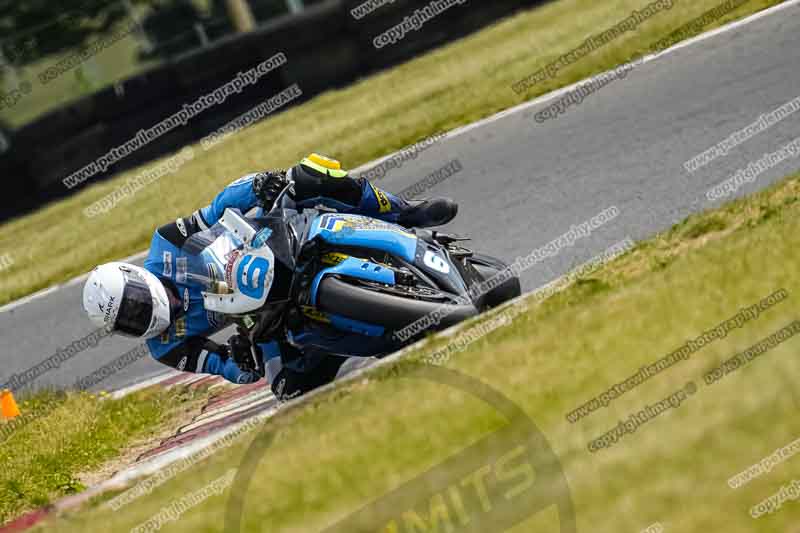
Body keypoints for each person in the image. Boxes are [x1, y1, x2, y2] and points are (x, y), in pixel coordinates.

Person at [82, 154, 457, 400]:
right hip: (260, 318)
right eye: (129, 322)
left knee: (312, 174)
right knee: (286, 388)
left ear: (137, 276)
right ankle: (377, 340)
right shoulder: (166, 347)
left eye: (133, 304)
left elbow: (216, 209)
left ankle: (406, 212)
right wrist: (242, 360)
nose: (139, 315)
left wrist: (261, 184)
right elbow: (224, 368)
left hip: (267, 244)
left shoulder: (166, 243)